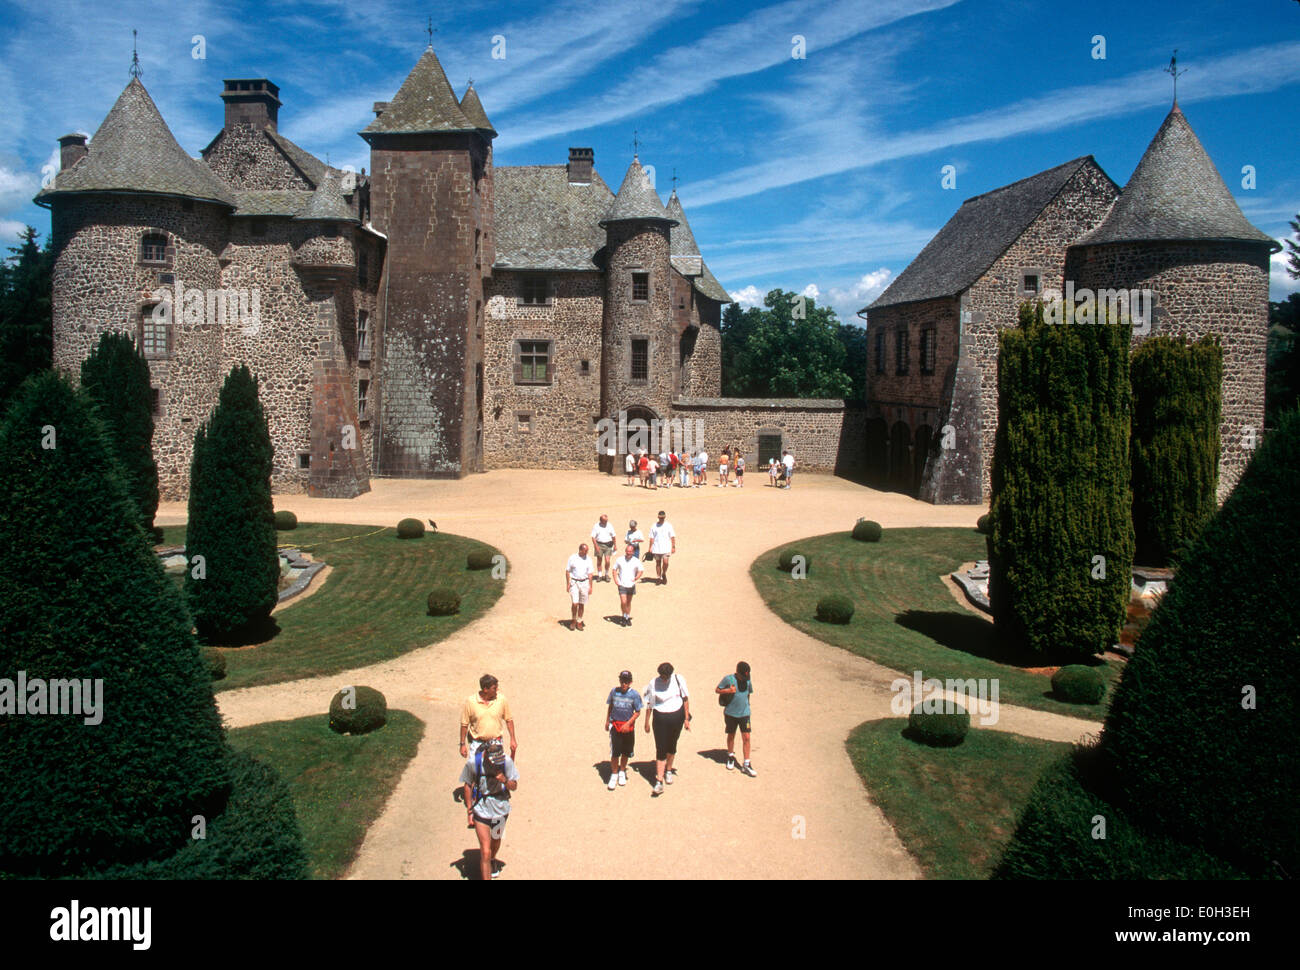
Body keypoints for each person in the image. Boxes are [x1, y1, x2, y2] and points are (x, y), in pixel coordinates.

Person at [460, 741, 519, 879]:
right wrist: (469, 811)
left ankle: (493, 859)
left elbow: (514, 786)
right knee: (485, 851)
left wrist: (504, 780)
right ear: (486, 755)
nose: (496, 764)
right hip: (481, 809)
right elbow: (467, 785)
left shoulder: (507, 762)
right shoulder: (473, 764)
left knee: (496, 840)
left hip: (501, 809)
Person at [643, 662, 691, 795]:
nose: (664, 679)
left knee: (672, 745)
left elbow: (685, 699)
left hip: (677, 717)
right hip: (660, 719)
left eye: (666, 676)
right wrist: (646, 722)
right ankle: (659, 781)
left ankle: (668, 770)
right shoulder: (653, 683)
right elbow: (649, 703)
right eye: (662, 676)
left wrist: (686, 719)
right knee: (660, 748)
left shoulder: (678, 679)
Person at [460, 674, 518, 762]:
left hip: (495, 744)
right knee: (475, 770)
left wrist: (513, 739)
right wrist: (462, 744)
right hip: (477, 744)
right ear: (485, 689)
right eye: (494, 688)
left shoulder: (501, 700)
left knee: (498, 774)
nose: (497, 690)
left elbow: (509, 720)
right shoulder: (471, 702)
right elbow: (464, 724)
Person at [716, 661, 757, 776]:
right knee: (731, 735)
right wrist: (728, 690)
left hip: (745, 714)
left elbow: (748, 694)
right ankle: (730, 756)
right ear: (737, 673)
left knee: (747, 737)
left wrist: (747, 707)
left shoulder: (748, 680)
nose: (745, 678)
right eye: (743, 676)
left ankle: (746, 764)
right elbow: (717, 690)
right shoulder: (728, 679)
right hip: (731, 714)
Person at [605, 669, 643, 788]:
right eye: (622, 681)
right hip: (615, 725)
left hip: (628, 728)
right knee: (615, 752)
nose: (624, 684)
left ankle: (622, 771)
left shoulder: (635, 695)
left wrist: (628, 723)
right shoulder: (614, 692)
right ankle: (614, 774)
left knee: (626, 751)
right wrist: (607, 721)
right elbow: (610, 706)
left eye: (626, 682)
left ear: (630, 682)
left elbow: (637, 711)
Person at [612, 543, 644, 626]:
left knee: (628, 602)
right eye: (627, 551)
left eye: (630, 551)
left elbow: (641, 570)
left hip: (631, 584)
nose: (628, 553)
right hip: (622, 583)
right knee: (623, 601)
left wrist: (636, 578)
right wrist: (616, 579)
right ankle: (623, 616)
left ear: (633, 552)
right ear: (625, 551)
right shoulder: (620, 559)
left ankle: (627, 617)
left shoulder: (636, 561)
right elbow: (614, 569)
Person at [565, 541, 595, 630]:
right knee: (575, 603)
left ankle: (579, 621)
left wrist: (590, 586)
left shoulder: (589, 559)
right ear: (580, 550)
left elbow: (590, 574)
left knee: (582, 603)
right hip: (574, 582)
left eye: (587, 551)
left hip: (585, 583)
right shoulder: (572, 558)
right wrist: (568, 583)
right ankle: (573, 620)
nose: (586, 553)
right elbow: (567, 571)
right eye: (585, 551)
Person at [648, 510, 676, 584]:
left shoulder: (668, 525)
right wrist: (650, 547)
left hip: (666, 547)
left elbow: (672, 536)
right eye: (660, 518)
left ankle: (664, 573)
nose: (661, 519)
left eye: (663, 518)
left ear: (665, 517)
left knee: (666, 562)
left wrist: (673, 547)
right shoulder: (654, 526)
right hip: (656, 547)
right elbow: (651, 538)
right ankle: (658, 577)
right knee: (658, 563)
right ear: (658, 517)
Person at [591, 513, 617, 581]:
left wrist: (615, 545)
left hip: (608, 545)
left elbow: (613, 536)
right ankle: (599, 575)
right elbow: (593, 537)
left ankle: (606, 574)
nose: (606, 522)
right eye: (605, 521)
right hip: (599, 544)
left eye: (607, 520)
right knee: (599, 560)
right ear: (601, 520)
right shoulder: (596, 526)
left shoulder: (610, 525)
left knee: (607, 561)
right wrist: (596, 546)